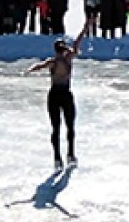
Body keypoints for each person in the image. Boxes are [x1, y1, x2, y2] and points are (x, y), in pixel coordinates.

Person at [25, 24, 90, 169]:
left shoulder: (60, 61)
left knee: (65, 127)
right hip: (59, 94)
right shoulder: (59, 61)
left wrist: (85, 27)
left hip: (60, 94)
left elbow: (77, 42)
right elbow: (41, 65)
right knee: (61, 127)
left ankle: (66, 156)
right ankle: (62, 156)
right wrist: (31, 69)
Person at [4, 166, 77, 218]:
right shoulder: (36, 198)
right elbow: (21, 202)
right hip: (44, 187)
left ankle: (66, 171)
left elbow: (60, 208)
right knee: (54, 179)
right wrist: (10, 204)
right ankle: (60, 171)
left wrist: (69, 214)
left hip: (49, 189)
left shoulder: (48, 201)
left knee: (62, 183)